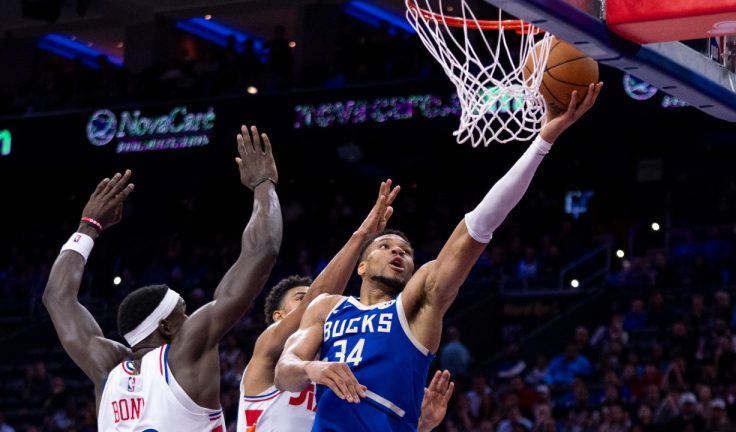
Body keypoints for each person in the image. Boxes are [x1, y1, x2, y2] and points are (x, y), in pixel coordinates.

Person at [274, 83, 603, 431]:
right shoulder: (327, 308)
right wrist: (314, 369)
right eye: (385, 246)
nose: (398, 251)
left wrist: (542, 142)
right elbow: (284, 371)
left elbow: (477, 229)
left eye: (406, 251)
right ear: (362, 265)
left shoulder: (415, 306)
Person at [43, 125, 282, 431]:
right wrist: (264, 184)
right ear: (166, 326)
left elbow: (57, 298)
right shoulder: (184, 356)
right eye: (184, 311)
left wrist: (88, 226)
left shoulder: (106, 368)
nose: (192, 316)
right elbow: (262, 252)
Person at [237, 181, 453, 432]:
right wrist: (362, 235)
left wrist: (420, 424)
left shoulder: (341, 361)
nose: (309, 306)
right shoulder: (270, 351)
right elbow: (317, 300)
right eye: (299, 299)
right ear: (279, 316)